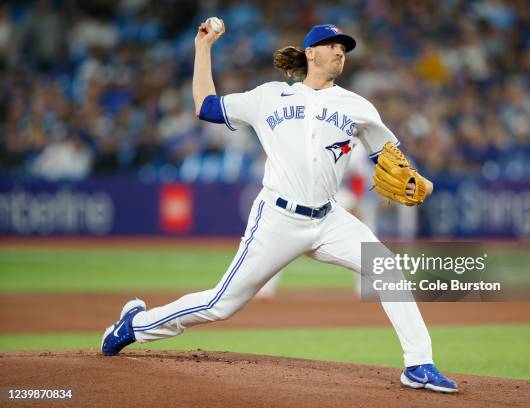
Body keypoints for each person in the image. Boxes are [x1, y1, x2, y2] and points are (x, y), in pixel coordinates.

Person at [101, 19, 458, 394]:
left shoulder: (357, 106)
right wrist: (203, 49)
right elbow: (205, 106)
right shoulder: (269, 96)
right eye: (332, 44)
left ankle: (419, 364)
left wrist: (412, 175)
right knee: (221, 304)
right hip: (278, 218)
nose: (340, 51)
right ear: (310, 52)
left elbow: (388, 156)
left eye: (344, 47)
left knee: (388, 270)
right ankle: (136, 325)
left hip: (330, 218)